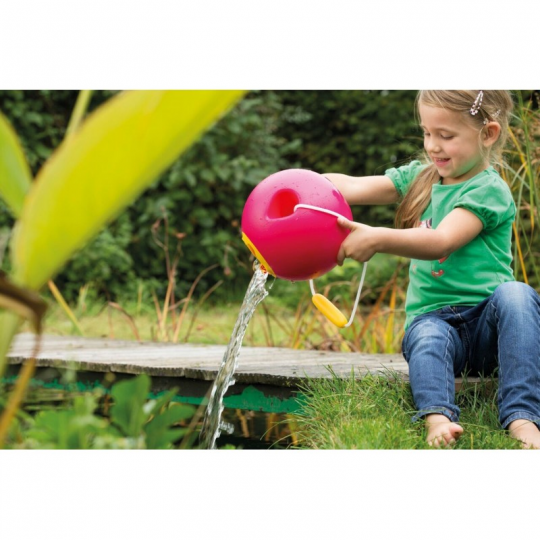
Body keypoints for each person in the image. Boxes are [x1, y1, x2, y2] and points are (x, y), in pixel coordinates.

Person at [324, 90, 540, 449]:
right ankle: (437, 418)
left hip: (490, 327)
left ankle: (522, 416)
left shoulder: (489, 190)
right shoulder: (421, 178)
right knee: (426, 335)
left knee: (517, 294)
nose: (432, 146)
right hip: (435, 324)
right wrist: (302, 184)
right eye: (427, 133)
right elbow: (352, 185)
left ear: (488, 134)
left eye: (446, 136)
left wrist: (377, 238)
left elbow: (441, 240)